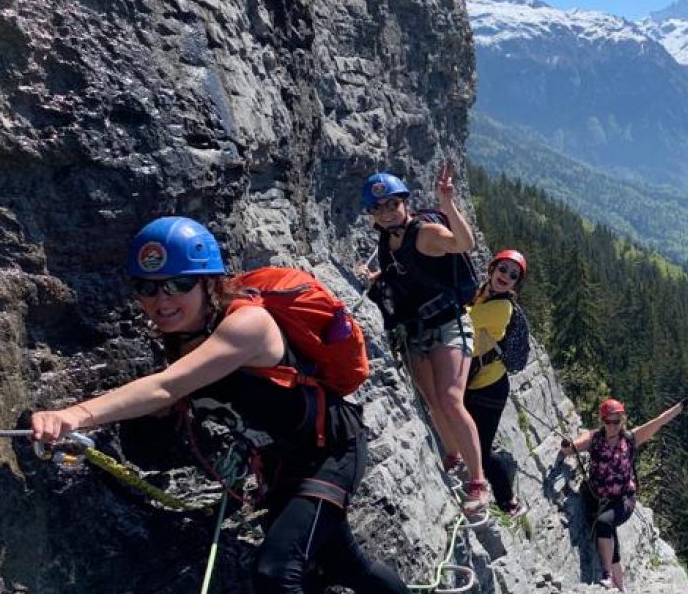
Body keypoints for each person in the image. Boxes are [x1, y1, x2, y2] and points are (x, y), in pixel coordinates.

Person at [29, 217, 407, 593]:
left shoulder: (248, 325)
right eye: (147, 287)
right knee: (343, 563)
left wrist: (75, 415)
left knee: (277, 573)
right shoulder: (184, 336)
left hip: (330, 451)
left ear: (209, 283)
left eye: (179, 284)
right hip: (281, 460)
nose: (162, 300)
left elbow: (166, 388)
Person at [356, 163, 489, 514]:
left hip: (449, 324)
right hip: (417, 330)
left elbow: (464, 243)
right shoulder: (389, 240)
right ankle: (451, 455)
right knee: (431, 399)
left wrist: (448, 204)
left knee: (450, 399)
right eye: (377, 209)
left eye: (391, 205)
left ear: (404, 203)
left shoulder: (424, 233)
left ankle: (477, 483)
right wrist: (375, 277)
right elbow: (402, 273)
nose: (386, 214)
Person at [559, 395, 688, 591]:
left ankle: (606, 575)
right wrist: (566, 446)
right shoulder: (594, 439)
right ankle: (620, 588)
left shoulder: (630, 439)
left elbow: (658, 422)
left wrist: (680, 406)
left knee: (605, 523)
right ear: (602, 420)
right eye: (608, 421)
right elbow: (570, 449)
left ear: (622, 420)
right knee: (612, 545)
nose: (613, 426)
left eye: (617, 421)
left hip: (624, 500)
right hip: (599, 500)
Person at [464, 249, 530, 516]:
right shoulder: (482, 293)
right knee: (471, 438)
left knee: (481, 449)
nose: (506, 276)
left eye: (512, 275)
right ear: (492, 269)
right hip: (477, 380)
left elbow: (464, 319)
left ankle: (508, 500)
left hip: (490, 388)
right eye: (502, 269)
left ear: (515, 284)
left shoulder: (502, 308)